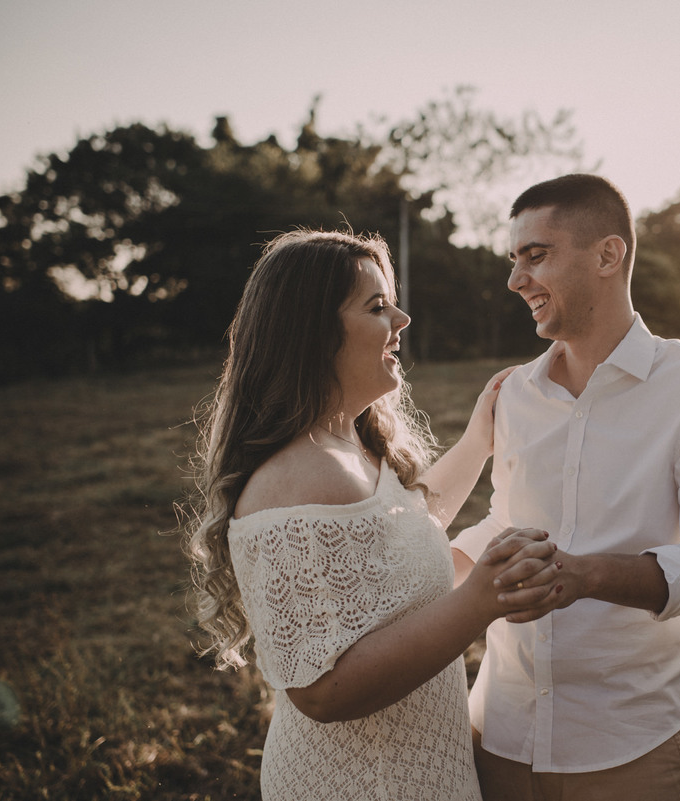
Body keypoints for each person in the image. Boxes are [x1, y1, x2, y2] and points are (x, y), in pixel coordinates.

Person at [185, 228, 562, 800]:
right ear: (312, 333)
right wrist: (479, 602)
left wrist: (477, 441)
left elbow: (401, 540)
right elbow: (321, 692)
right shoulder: (291, 482)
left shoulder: (344, 448)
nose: (403, 319)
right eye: (377, 306)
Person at [451, 175, 680, 800]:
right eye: (514, 262)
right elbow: (503, 523)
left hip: (632, 743)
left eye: (535, 256)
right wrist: (426, 575)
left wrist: (588, 576)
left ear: (607, 255)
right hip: (500, 735)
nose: (516, 282)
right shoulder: (513, 394)